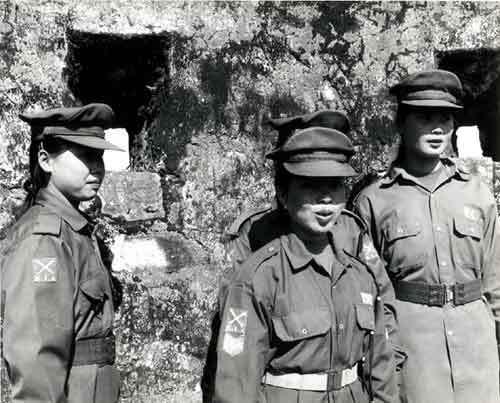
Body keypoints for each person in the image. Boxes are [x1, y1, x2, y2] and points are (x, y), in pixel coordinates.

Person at [213, 116, 398, 402]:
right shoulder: (259, 277)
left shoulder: (359, 274)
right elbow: (235, 382)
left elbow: (381, 364)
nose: (326, 199)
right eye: (311, 186)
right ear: (284, 195)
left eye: (335, 186)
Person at [353, 69, 500, 403]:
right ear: (401, 123)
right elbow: (367, 291)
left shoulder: (477, 193)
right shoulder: (374, 201)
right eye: (424, 117)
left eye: (446, 118)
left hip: (477, 348)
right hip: (414, 352)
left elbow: (495, 279)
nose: (437, 128)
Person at [1, 103, 123, 403]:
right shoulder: (45, 240)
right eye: (84, 155)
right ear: (46, 160)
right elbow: (36, 361)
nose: (96, 167)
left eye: (99, 156)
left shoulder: (74, 230)